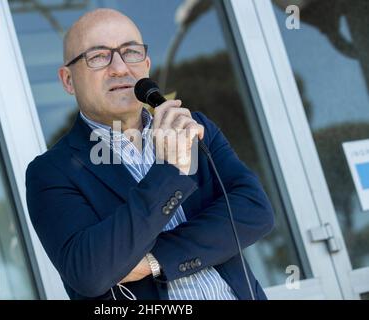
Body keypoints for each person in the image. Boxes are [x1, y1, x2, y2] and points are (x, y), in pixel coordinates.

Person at [25, 8, 274, 300]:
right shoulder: (52, 172)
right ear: (68, 80)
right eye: (98, 56)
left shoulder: (192, 127)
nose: (119, 68)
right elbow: (91, 273)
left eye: (130, 52)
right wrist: (168, 171)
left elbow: (255, 211)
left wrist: (153, 261)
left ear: (146, 64)